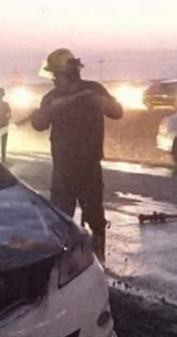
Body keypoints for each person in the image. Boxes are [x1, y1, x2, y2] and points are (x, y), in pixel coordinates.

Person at [30, 48, 123, 263]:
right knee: (62, 218)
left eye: (56, 75)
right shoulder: (52, 98)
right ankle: (64, 265)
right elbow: (38, 124)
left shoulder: (94, 91)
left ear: (67, 74)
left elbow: (117, 113)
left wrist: (106, 103)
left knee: (95, 217)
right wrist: (48, 111)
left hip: (89, 164)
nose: (53, 80)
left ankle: (100, 261)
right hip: (63, 166)